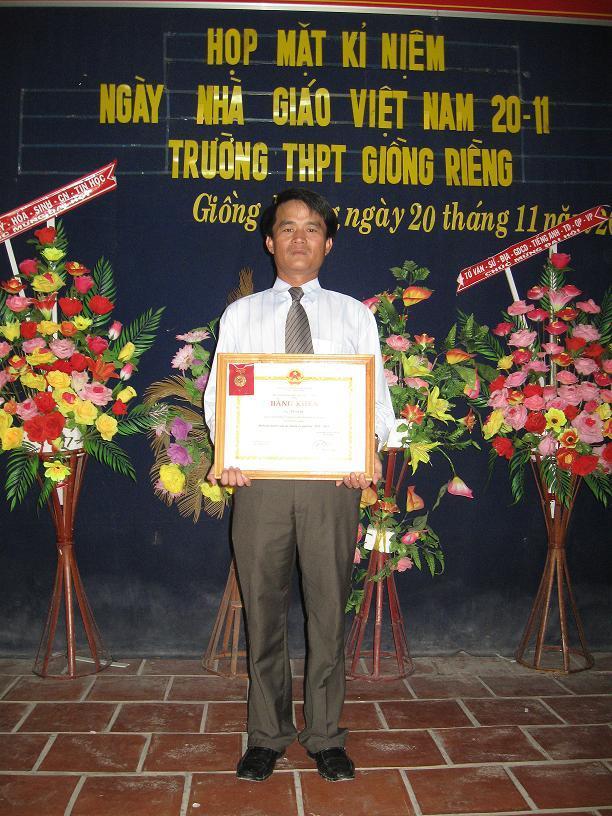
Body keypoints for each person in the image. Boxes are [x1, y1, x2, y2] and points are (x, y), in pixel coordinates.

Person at [204, 188, 394, 782]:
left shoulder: (354, 315)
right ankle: (266, 735)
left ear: (328, 243)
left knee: (328, 610)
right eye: (287, 228)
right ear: (270, 241)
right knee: (262, 609)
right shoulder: (241, 316)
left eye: (312, 228)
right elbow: (220, 396)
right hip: (259, 480)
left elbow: (376, 400)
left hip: (331, 482)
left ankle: (326, 735)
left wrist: (367, 451)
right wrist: (229, 453)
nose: (299, 238)